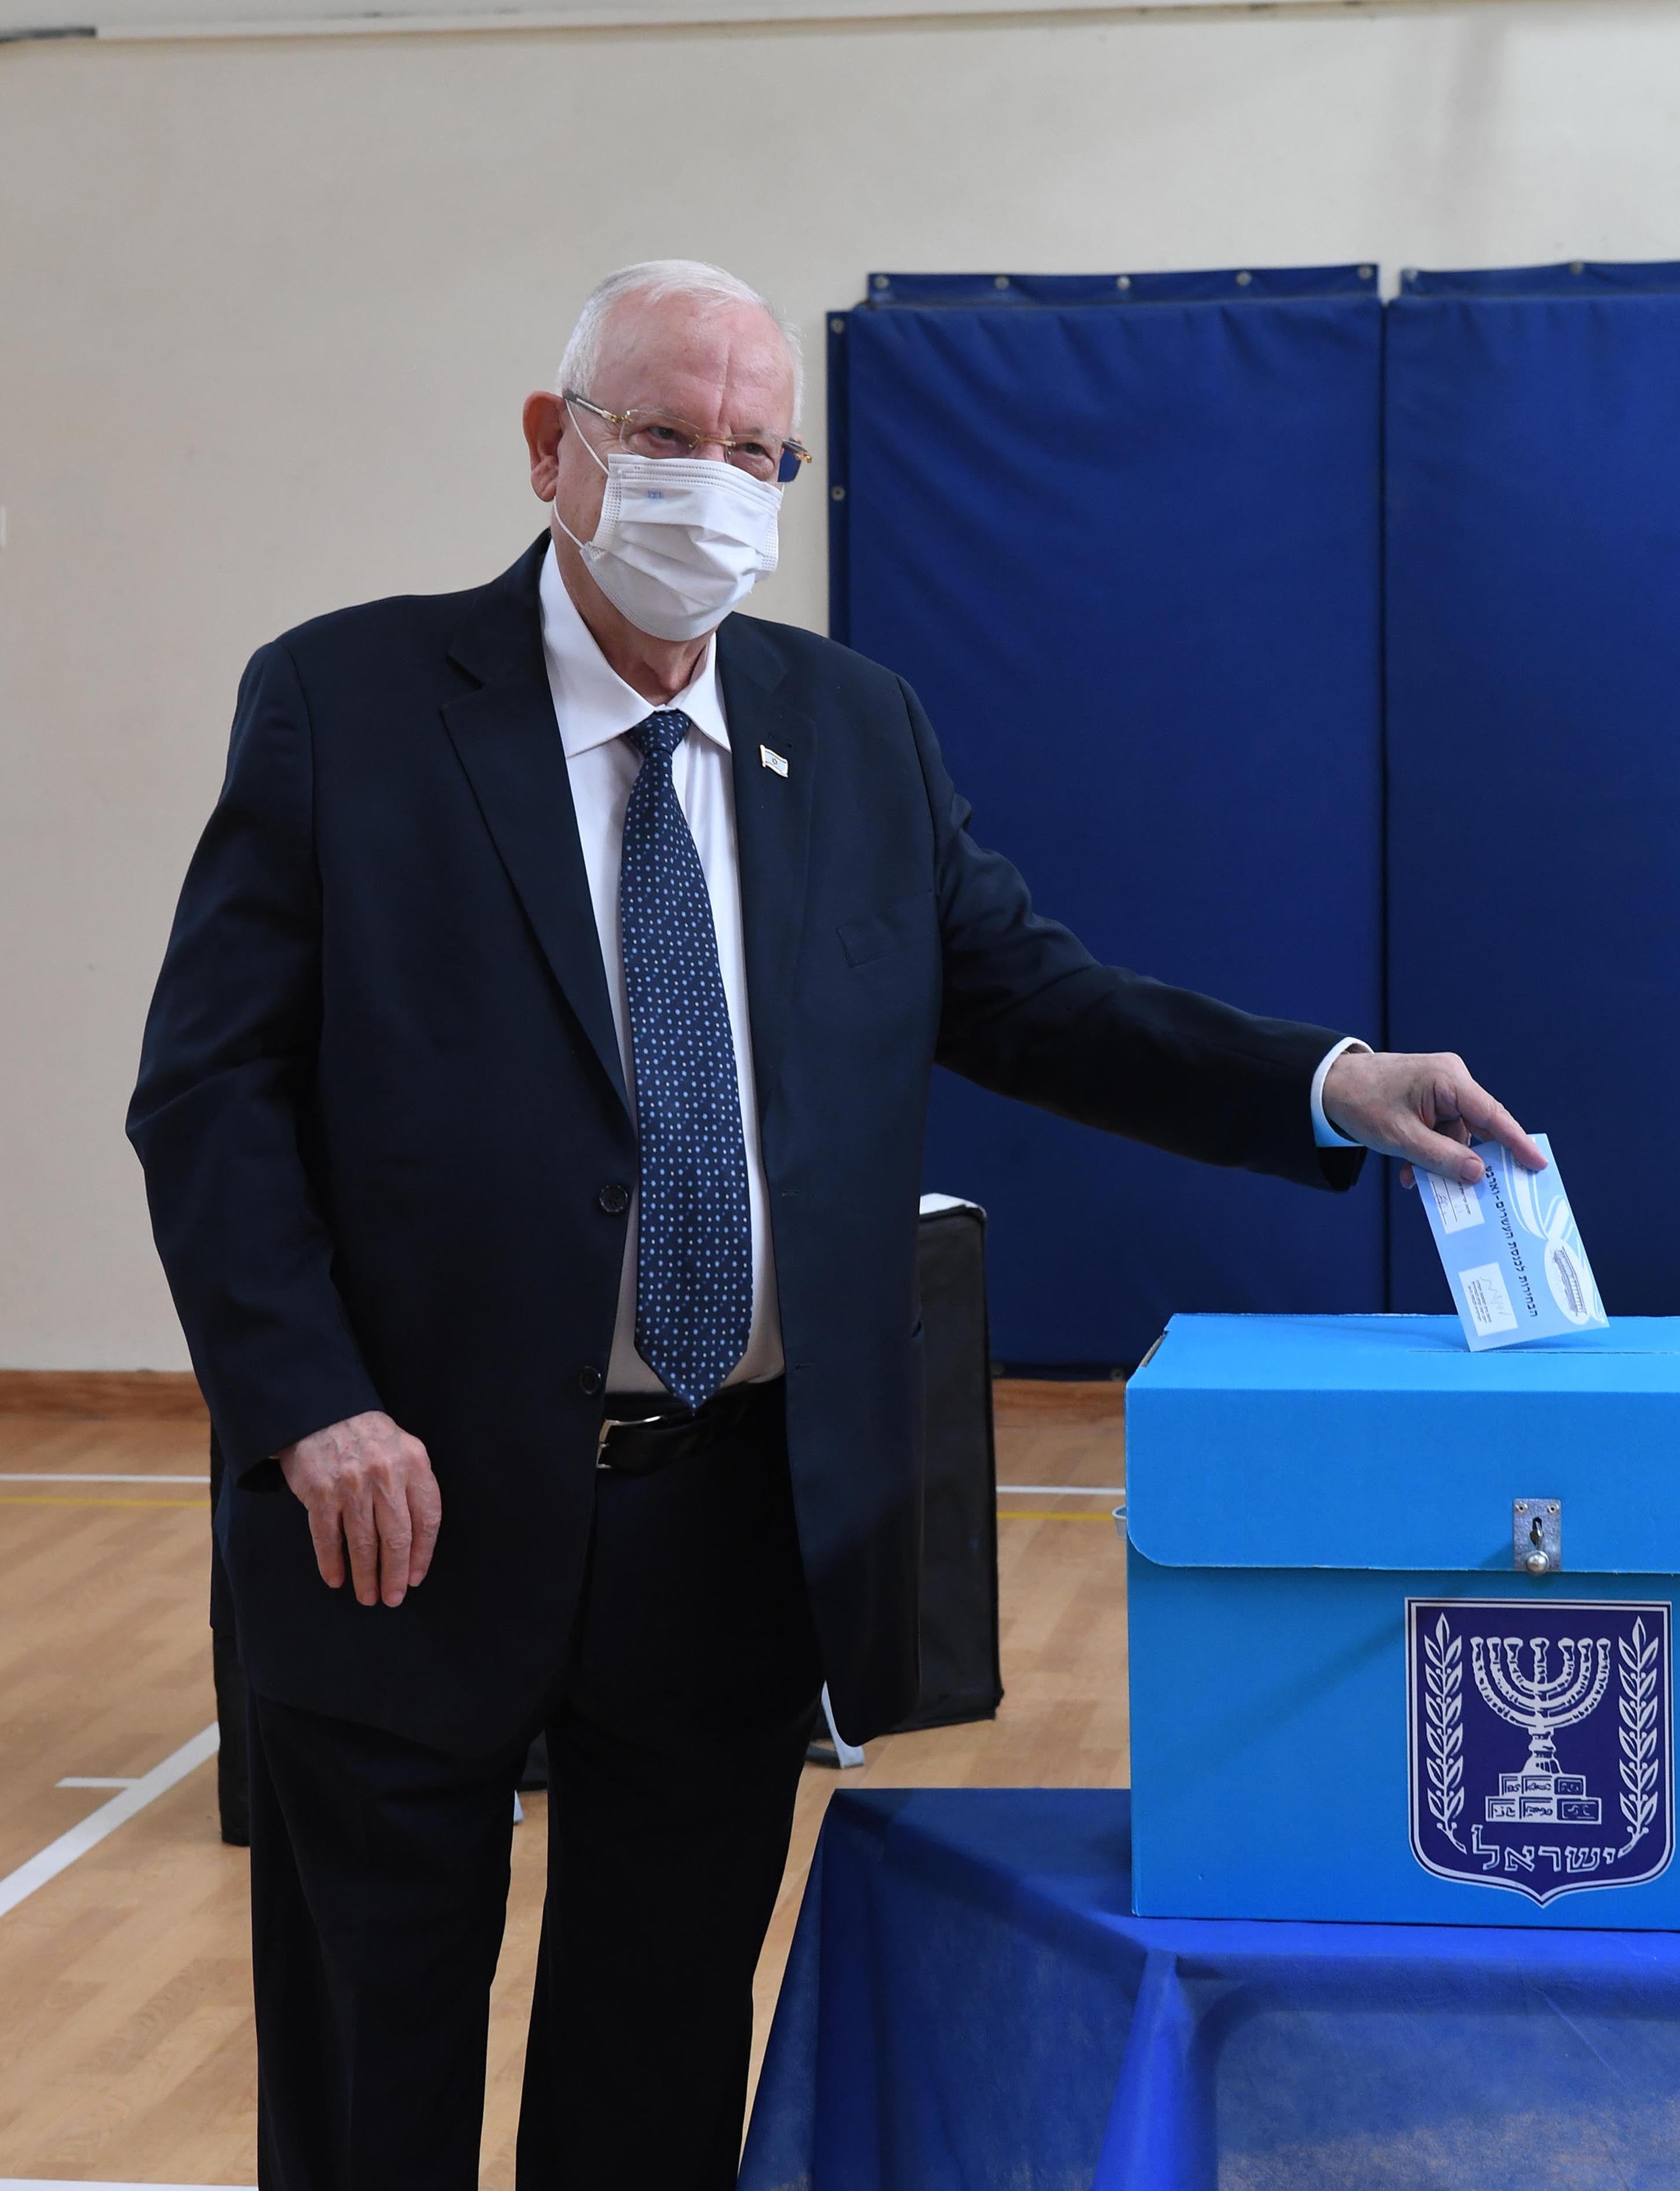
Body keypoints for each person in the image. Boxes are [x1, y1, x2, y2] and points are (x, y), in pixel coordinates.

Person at [127, 257, 1543, 2190]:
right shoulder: (347, 705)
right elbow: (207, 1097)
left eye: (756, 451)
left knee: (651, 2080)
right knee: (371, 2082)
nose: (713, 484)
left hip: (726, 1522)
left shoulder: (849, 725)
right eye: (665, 438)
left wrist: (1326, 1081)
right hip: (406, 1512)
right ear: (554, 449)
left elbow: (1037, 1000)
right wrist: (311, 1403)